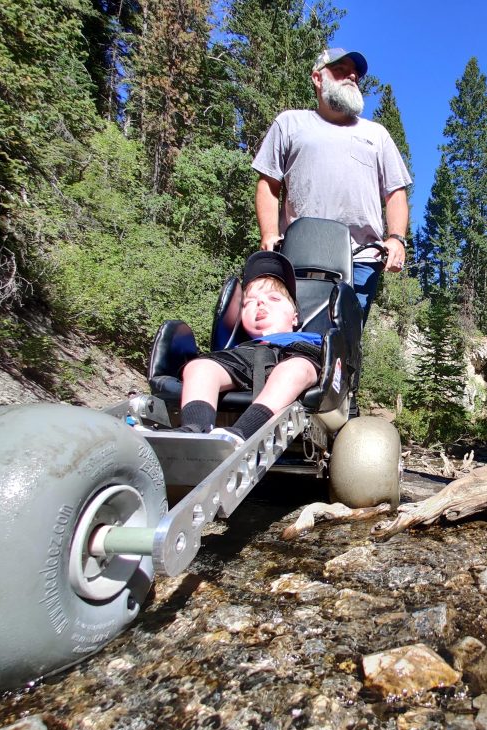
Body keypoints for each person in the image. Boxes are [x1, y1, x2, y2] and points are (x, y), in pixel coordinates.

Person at [252, 47, 412, 324]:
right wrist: (268, 234)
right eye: (340, 70)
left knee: (344, 343)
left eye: (355, 74)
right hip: (299, 252)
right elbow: (268, 183)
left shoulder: (376, 134)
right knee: (291, 331)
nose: (351, 76)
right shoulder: (290, 123)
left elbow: (395, 193)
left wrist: (396, 239)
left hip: (361, 257)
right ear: (317, 78)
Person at [174, 251, 322, 444]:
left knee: (296, 370)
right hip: (245, 358)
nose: (260, 302)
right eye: (249, 302)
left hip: (292, 355)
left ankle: (241, 432)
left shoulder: (311, 338)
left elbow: (328, 362)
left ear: (295, 317)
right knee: (199, 367)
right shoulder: (237, 347)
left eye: (274, 299)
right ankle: (194, 429)